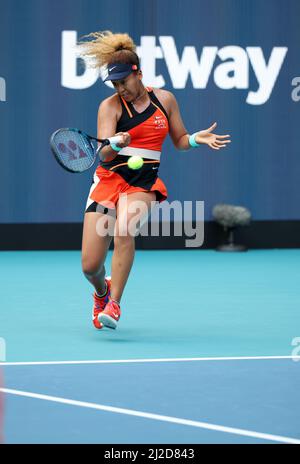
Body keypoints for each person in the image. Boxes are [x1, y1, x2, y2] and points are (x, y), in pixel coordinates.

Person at [78, 31, 231, 330]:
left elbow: (181, 140)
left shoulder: (165, 100)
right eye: (115, 83)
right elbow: (105, 156)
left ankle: (115, 304)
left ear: (139, 74)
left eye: (124, 81)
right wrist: (117, 144)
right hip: (109, 181)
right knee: (89, 265)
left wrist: (197, 139)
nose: (120, 88)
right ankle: (102, 291)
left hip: (143, 183)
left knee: (125, 230)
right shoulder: (109, 107)